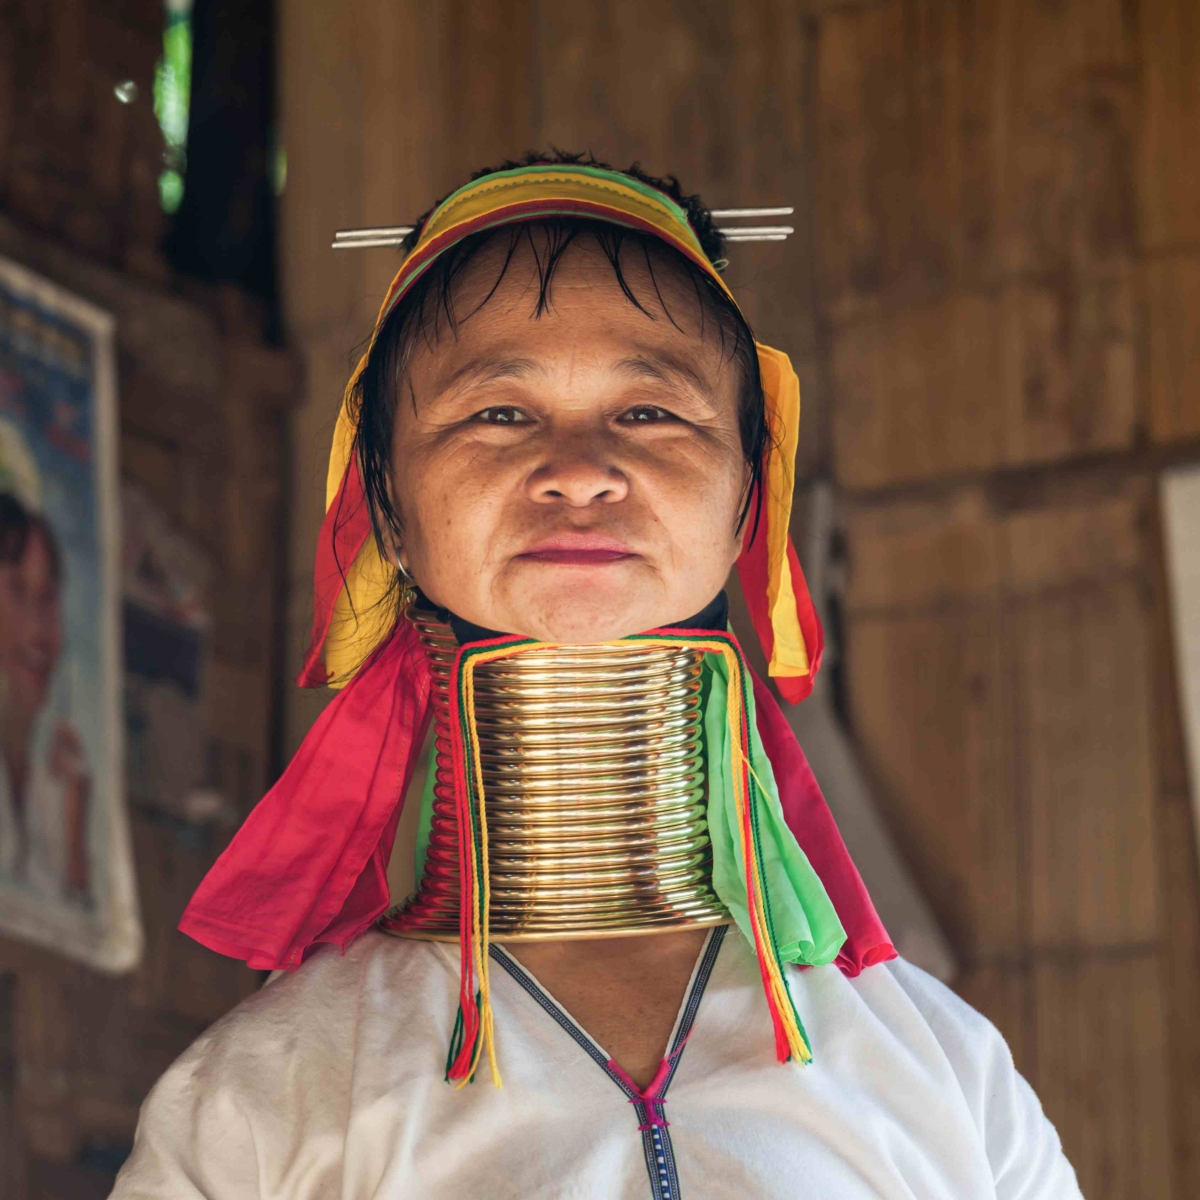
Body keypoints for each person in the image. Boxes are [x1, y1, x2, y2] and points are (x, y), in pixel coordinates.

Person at [112, 155, 1083, 1199]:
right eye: (498, 413)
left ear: (750, 498)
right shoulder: (263, 1102)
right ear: (385, 507)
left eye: (650, 412)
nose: (579, 468)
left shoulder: (942, 1075)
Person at [0, 491, 90, 899]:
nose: (38, 630)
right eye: (16, 590)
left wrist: (74, 839)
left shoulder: (57, 780)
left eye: (48, 597)